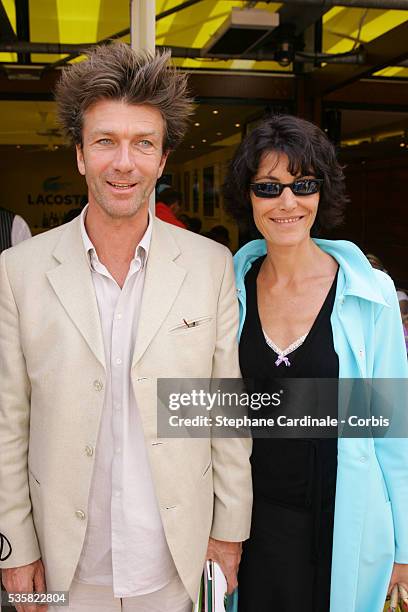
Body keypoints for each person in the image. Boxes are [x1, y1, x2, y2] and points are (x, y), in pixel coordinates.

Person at [0, 43, 252, 612]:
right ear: (80, 156)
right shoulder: (18, 271)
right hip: (65, 563)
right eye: (105, 141)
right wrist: (13, 550)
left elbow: (223, 409)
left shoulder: (210, 265)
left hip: (175, 560)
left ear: (163, 161)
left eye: (143, 143)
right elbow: (7, 422)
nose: (124, 162)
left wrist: (229, 531)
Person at [224, 114, 408, 612]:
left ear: (321, 193)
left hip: (342, 516)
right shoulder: (227, 288)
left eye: (303, 185)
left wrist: (405, 546)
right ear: (248, 197)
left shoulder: (372, 295)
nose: (288, 202)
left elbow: (393, 428)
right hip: (248, 527)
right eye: (269, 188)